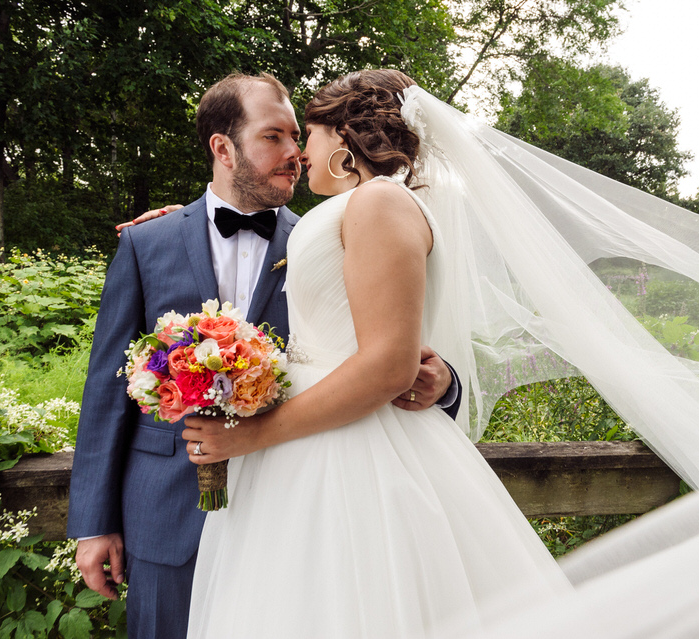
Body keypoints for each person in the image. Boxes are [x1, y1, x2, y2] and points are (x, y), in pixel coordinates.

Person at [186, 68, 699, 639]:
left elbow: (386, 365)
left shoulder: (379, 201)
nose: (299, 153)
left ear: (344, 137)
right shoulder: (357, 208)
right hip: (316, 453)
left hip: (349, 458)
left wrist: (251, 432)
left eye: (305, 134)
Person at [67, 72, 462, 639]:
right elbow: (107, 389)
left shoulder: (328, 239)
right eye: (273, 137)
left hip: (293, 517)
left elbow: (386, 353)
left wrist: (443, 381)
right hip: (165, 519)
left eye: (299, 136)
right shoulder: (145, 243)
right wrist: (93, 523)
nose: (296, 153)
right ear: (222, 147)